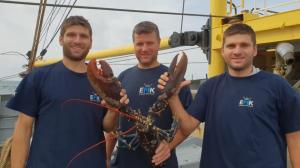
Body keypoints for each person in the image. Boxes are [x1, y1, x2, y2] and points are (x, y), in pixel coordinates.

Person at [155, 23, 300, 168]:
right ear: (223, 51)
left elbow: (294, 136)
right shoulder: (209, 87)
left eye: (244, 45)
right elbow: (187, 127)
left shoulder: (278, 86)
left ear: (254, 50)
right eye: (231, 46)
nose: (237, 51)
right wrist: (173, 97)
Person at [7, 16, 121, 168]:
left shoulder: (101, 81)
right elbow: (23, 128)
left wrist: (113, 110)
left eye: (83, 36)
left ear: (90, 42)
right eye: (71, 35)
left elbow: (108, 127)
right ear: (61, 39)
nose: (77, 40)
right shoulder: (39, 76)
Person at [106, 21, 193, 168]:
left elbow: (187, 126)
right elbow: (114, 127)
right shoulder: (123, 78)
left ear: (159, 43)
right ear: (133, 44)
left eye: (150, 43)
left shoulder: (173, 79)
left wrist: (169, 145)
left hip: (162, 163)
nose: (144, 48)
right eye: (139, 44)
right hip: (125, 162)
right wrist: (107, 158)